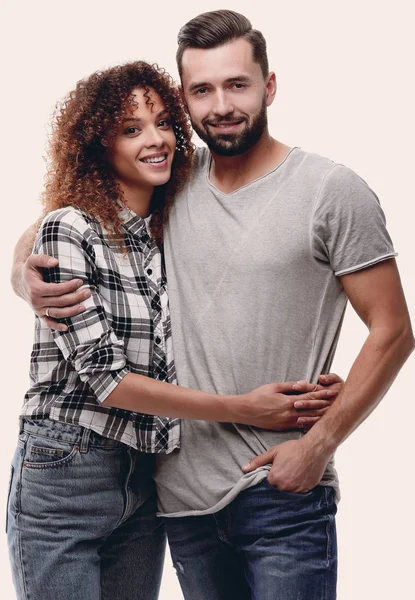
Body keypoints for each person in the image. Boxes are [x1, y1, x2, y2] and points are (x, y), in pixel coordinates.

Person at [11, 9, 413, 600]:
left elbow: (394, 330)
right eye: (202, 90)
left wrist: (319, 443)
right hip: (176, 501)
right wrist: (25, 278)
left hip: (282, 489)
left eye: (237, 84)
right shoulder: (174, 180)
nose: (220, 105)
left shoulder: (331, 191)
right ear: (186, 99)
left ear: (269, 85)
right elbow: (58, 223)